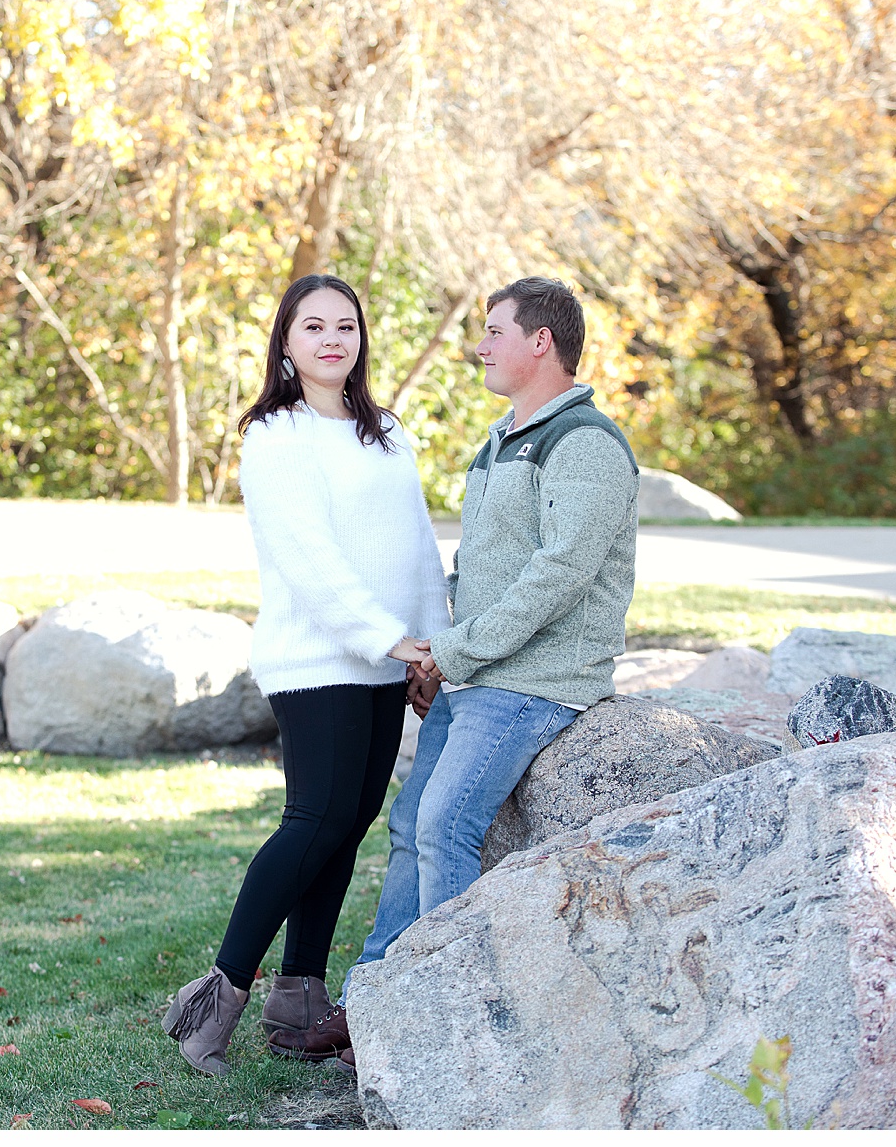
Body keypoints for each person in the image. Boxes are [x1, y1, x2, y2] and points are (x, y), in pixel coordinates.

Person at [161, 274, 449, 1078]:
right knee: (313, 820)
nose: (332, 338)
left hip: (388, 662)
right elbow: (309, 558)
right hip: (319, 659)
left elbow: (417, 546)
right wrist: (392, 640)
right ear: (286, 340)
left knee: (349, 824)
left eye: (346, 325)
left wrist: (430, 649)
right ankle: (212, 1000)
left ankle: (300, 997)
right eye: (313, 325)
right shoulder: (275, 435)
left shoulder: (385, 431)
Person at [349, 276, 638, 970]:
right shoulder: (501, 442)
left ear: (541, 341)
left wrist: (454, 651)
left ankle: (441, 1003)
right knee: (410, 824)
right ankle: (374, 990)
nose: (479, 348)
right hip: (479, 671)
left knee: (446, 824)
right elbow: (480, 567)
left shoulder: (584, 442)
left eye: (493, 332)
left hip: (536, 680)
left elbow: (558, 575)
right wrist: (438, 657)